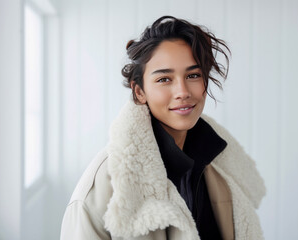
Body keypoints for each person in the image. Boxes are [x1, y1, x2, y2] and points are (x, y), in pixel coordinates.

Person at [60, 16, 265, 240]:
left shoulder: (219, 164)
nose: (183, 91)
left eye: (193, 75)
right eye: (164, 79)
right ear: (139, 91)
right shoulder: (101, 189)